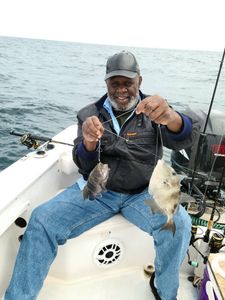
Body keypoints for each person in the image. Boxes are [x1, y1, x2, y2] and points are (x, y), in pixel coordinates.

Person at [5, 51, 200, 300]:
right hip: (98, 192)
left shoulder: (154, 108)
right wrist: (86, 142)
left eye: (127, 83)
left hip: (142, 193)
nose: (121, 90)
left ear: (139, 81)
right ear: (106, 83)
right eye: (114, 83)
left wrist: (172, 117)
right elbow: (83, 164)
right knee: (42, 219)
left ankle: (165, 291)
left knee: (180, 224)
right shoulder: (89, 114)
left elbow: (183, 138)